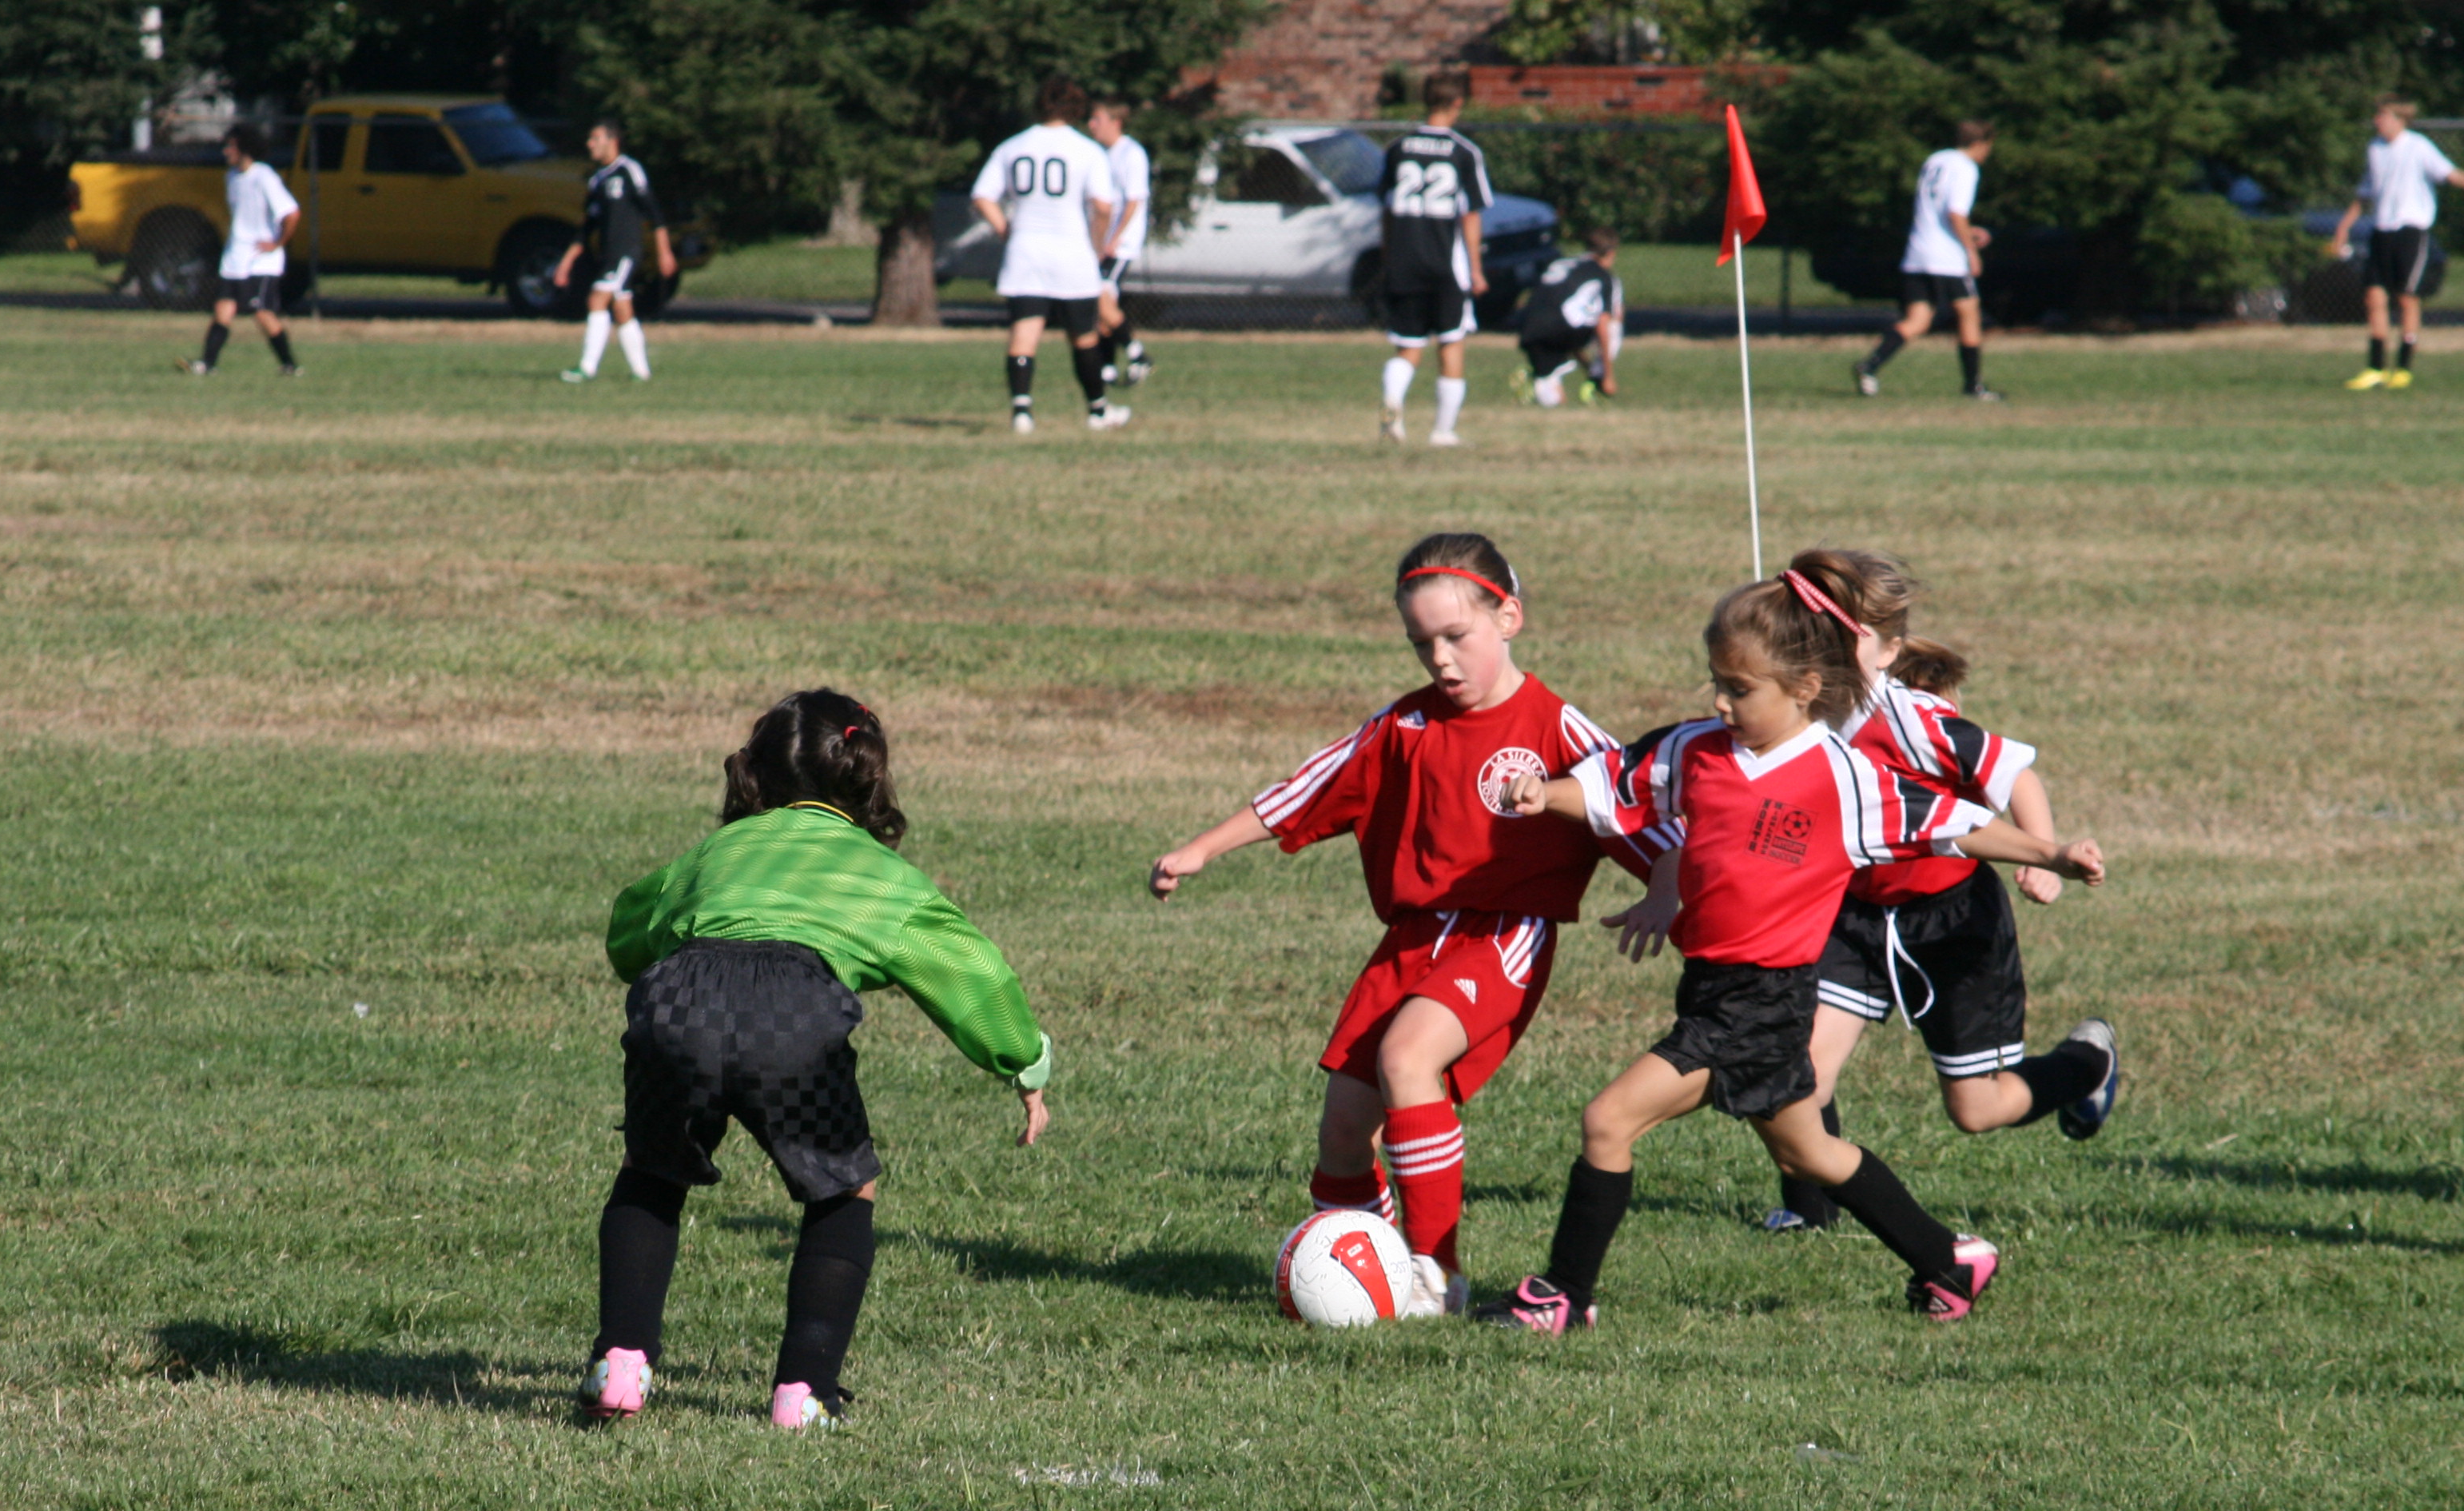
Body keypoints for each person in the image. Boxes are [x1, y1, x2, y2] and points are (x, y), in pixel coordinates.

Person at [1477, 571, 2104, 1333]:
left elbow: (1956, 824)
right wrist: (1547, 794)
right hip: (1712, 991)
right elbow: (1616, 785)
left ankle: (1563, 1296)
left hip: (1762, 1004)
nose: (1721, 702)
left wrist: (2050, 852)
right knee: (1810, 1155)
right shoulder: (1696, 750)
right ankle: (1949, 1260)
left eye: (1740, 689)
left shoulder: (1844, 778)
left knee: (1608, 1121)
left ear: (1806, 688)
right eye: (1716, 682)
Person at [1148, 535, 1663, 1315]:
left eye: (1456, 636)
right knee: (1344, 1130)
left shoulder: (1560, 730)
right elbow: (1308, 786)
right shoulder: (1404, 724)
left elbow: (1646, 816)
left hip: (1504, 932)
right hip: (1412, 941)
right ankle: (1356, 1275)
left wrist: (1675, 896)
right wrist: (1201, 849)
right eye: (1422, 643)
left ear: (1509, 617)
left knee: (1407, 1057)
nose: (1441, 659)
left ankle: (1436, 1276)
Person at [590, 691, 1052, 1430]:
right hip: (792, 1012)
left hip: (678, 1002)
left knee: (651, 1172)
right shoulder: (878, 871)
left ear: (756, 772)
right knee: (843, 1191)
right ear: (869, 778)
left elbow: (631, 926)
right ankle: (804, 1394)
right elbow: (972, 973)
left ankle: (620, 1363)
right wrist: (1022, 1064)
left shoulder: (719, 849)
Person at [1740, 548, 2121, 1235]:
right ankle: (1809, 1213)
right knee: (1802, 1071)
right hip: (1854, 916)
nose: (1824, 647)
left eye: (1843, 634)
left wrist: (2046, 852)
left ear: (1887, 651)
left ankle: (2087, 1065)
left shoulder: (1914, 722)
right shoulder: (1789, 715)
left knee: (1975, 1110)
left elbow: (2014, 774)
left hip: (1953, 922)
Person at [970, 78, 1127, 437]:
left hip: (1025, 252)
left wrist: (1007, 231)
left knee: (1024, 333)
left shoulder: (1013, 146)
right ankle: (1098, 412)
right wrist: (1097, 243)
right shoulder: (1087, 150)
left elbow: (983, 195)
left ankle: (1022, 412)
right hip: (1071, 252)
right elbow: (1103, 207)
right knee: (1084, 336)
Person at [2333, 97, 2464, 392]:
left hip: (2410, 231)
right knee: (2374, 297)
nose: (2377, 121)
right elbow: (2364, 194)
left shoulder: (2418, 147)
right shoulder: (2375, 149)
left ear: (2399, 120)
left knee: (2406, 297)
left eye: (2383, 116)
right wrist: (2344, 227)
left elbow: (2451, 174)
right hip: (2381, 230)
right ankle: (2375, 368)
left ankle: (2403, 368)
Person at [1375, 72, 1493, 448]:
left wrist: (1388, 256)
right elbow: (1470, 215)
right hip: (1446, 264)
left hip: (1404, 259)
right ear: (1458, 103)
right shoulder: (1464, 152)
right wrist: (1476, 270)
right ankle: (1443, 431)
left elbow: (1387, 209)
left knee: (1409, 345)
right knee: (1451, 342)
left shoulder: (1398, 148)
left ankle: (1393, 400)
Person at [1854, 121, 1997, 402]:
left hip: (1919, 251)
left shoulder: (1936, 160)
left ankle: (1869, 366)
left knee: (1918, 320)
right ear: (1980, 144)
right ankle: (1973, 386)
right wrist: (1971, 250)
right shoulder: (1966, 168)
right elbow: (1955, 213)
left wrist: (1968, 232)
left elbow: (1936, 210)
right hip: (1947, 258)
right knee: (1969, 312)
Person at [554, 121, 675, 385]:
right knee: (622, 310)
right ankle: (641, 373)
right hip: (609, 255)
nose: (590, 144)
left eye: (595, 138)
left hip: (627, 252)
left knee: (596, 299)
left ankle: (587, 368)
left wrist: (664, 252)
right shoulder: (598, 180)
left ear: (613, 141)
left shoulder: (629, 170)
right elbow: (587, 228)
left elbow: (654, 214)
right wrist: (566, 263)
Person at [185, 126, 300, 378]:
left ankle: (290, 365)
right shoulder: (231, 178)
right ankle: (207, 364)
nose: (225, 151)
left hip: (261, 260)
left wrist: (278, 243)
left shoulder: (264, 177)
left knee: (262, 313)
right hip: (235, 257)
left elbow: (292, 213)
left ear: (245, 149)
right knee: (223, 309)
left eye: (231, 146)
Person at [1511, 229, 1622, 409]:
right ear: (1611, 253)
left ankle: (1538, 379)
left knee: (1554, 403)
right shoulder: (1603, 276)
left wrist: (1586, 367)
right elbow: (1602, 325)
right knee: (1612, 325)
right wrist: (1608, 375)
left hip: (1530, 329)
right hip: (1562, 331)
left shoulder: (1560, 263)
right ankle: (1598, 375)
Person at [1086, 100, 1154, 390]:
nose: (1091, 125)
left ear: (1116, 122)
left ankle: (1138, 355)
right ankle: (1108, 369)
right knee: (1104, 305)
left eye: (1097, 119)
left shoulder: (1131, 153)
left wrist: (1114, 238)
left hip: (1121, 243)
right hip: (1104, 240)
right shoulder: (1103, 154)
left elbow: (1134, 200)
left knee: (1099, 294)